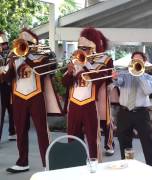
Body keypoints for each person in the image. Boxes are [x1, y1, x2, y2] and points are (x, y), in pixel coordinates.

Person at [2, 28, 62, 173]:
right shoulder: (13, 56)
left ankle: (47, 162)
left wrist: (26, 55)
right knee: (20, 130)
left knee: (42, 131)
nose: (22, 47)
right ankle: (23, 162)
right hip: (18, 97)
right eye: (21, 44)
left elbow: (44, 69)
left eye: (26, 44)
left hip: (36, 96)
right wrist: (11, 64)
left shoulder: (41, 55)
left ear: (32, 44)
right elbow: (7, 79)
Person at [62, 27, 111, 161]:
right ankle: (74, 164)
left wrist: (86, 65)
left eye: (84, 48)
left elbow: (99, 81)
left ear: (92, 49)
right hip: (74, 104)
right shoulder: (74, 61)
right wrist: (70, 71)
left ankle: (94, 166)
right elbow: (64, 82)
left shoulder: (101, 63)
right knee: (72, 138)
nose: (81, 51)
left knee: (92, 139)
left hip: (89, 104)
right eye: (80, 48)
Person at [114, 51, 152, 169]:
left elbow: (147, 91)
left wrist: (139, 74)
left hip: (141, 113)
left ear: (144, 62)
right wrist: (114, 78)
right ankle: (127, 169)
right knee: (124, 144)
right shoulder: (124, 75)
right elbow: (118, 82)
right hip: (124, 113)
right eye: (134, 60)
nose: (136, 62)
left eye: (138, 61)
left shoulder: (150, 78)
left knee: (147, 143)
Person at [0, 31, 16, 142]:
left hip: (11, 84)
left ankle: (12, 132)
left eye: (5, 43)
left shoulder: (12, 53)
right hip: (1, 85)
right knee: (1, 112)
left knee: (13, 110)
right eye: (2, 44)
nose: (4, 46)